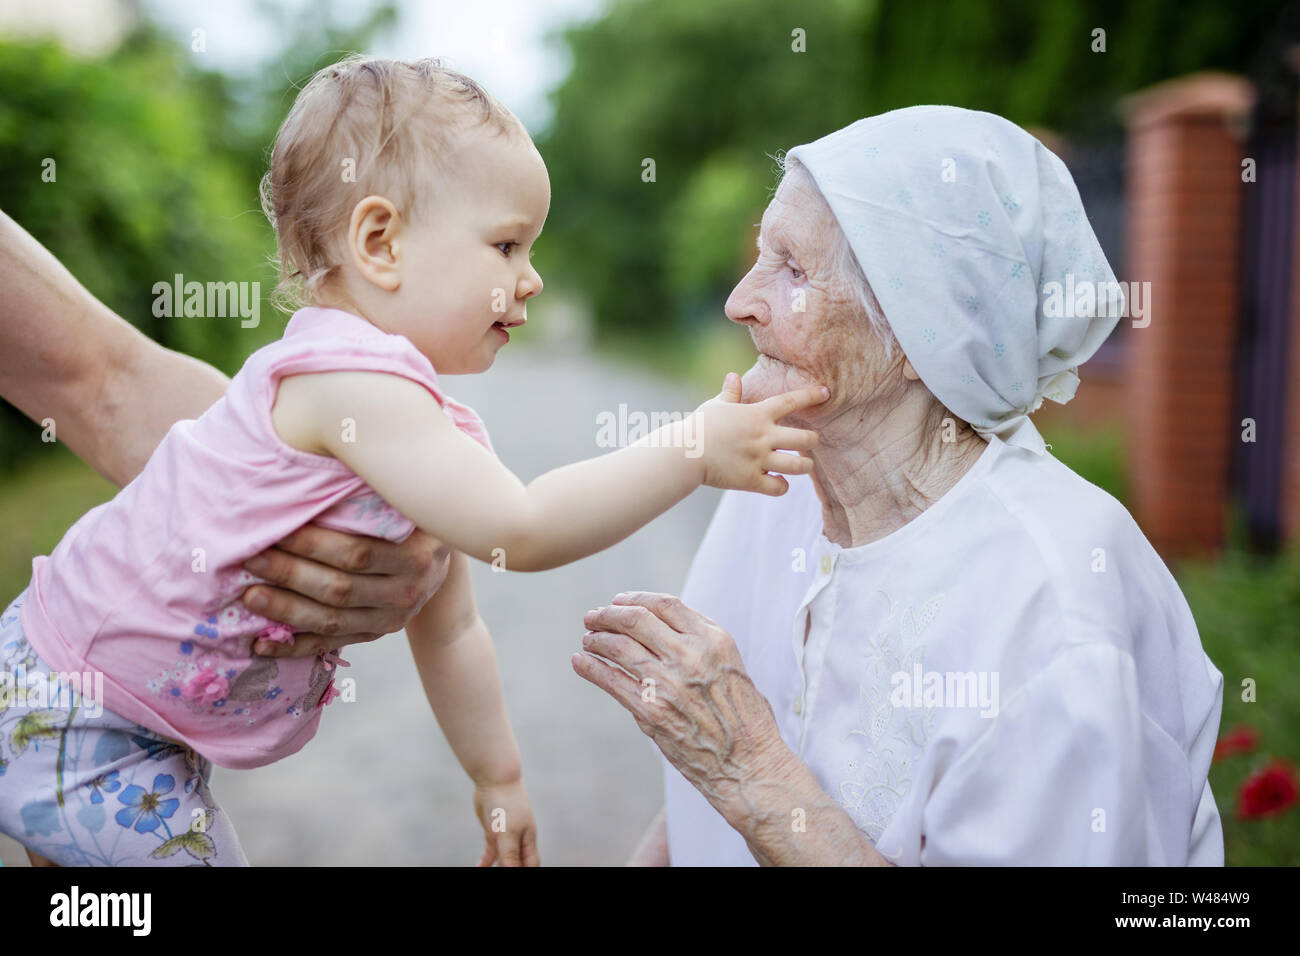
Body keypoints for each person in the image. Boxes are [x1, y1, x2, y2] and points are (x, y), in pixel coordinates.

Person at [0, 56, 827, 867]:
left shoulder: (411, 426)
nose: (531, 279)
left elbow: (451, 622)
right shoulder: (348, 385)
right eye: (506, 245)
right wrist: (691, 447)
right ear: (380, 242)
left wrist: (496, 776)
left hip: (120, 724)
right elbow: (524, 527)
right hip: (77, 719)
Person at [576, 106, 1226, 866]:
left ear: (929, 334)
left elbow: (731, 773)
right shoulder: (775, 481)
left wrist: (750, 771)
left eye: (791, 270)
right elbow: (695, 812)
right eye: (759, 256)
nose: (739, 301)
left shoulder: (1053, 605)